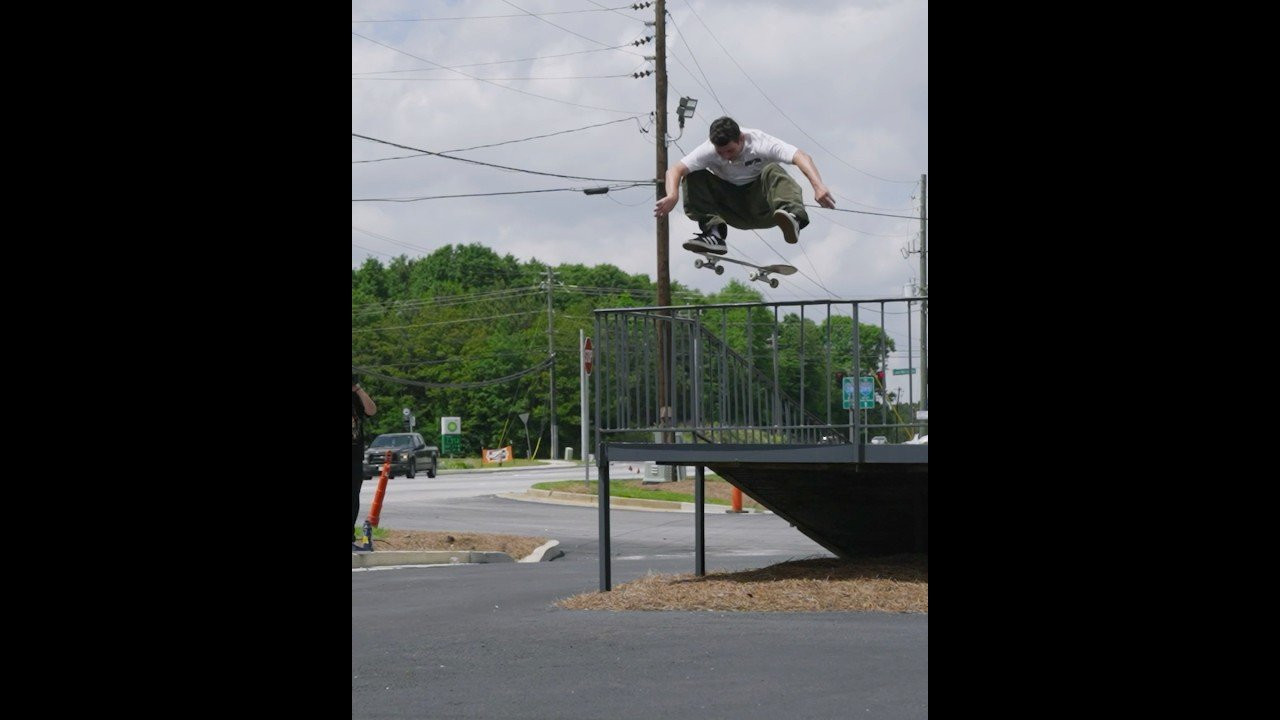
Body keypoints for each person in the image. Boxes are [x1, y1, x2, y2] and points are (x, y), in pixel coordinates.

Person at [654, 116, 836, 255]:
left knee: (772, 169)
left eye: (730, 150)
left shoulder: (760, 142)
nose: (726, 156)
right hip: (732, 209)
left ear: (741, 138)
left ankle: (793, 217)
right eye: (720, 152)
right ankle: (715, 234)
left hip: (764, 207)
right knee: (693, 175)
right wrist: (672, 195)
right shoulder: (708, 151)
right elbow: (674, 170)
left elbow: (801, 156)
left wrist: (818, 185)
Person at [352, 373, 377, 547]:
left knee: (353, 498)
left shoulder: (356, 398)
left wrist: (358, 389)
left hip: (355, 456)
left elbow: (371, 410)